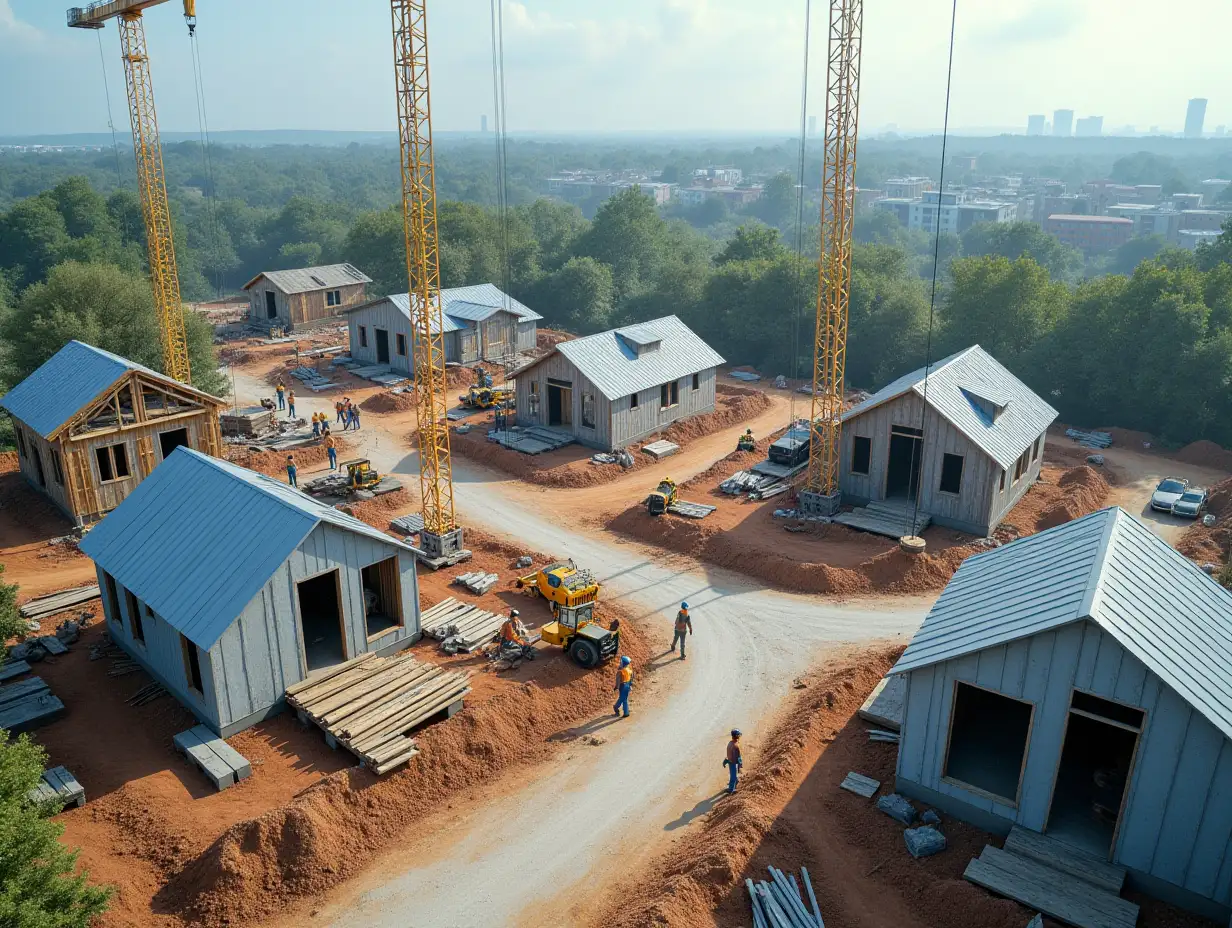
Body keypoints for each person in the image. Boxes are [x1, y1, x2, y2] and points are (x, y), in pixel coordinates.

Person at [723, 729, 743, 794]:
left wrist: (725, 761)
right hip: (733, 763)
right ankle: (731, 789)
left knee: (733, 774)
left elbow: (728, 754)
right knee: (733, 777)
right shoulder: (736, 746)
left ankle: (736, 781)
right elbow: (739, 758)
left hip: (729, 761)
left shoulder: (730, 743)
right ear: (738, 737)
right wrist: (740, 766)